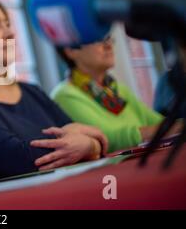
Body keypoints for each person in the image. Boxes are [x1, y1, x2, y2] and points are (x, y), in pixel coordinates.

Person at [0, 0, 108, 181]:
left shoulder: (32, 91)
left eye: (8, 24)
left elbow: (85, 138)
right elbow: (17, 159)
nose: (10, 33)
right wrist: (88, 145)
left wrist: (90, 145)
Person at [52, 35, 181, 152]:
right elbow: (106, 138)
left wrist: (176, 126)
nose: (108, 46)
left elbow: (159, 122)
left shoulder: (117, 89)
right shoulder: (64, 94)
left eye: (109, 39)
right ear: (70, 50)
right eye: (98, 40)